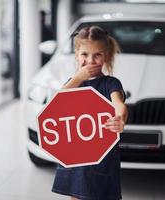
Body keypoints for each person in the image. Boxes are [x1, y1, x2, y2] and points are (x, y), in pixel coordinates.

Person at [52, 26, 128, 200]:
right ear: (77, 54)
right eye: (85, 54)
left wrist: (120, 118)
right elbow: (56, 104)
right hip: (76, 157)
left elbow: (119, 104)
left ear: (106, 56)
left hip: (102, 159)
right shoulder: (72, 83)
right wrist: (77, 79)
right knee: (76, 196)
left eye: (97, 55)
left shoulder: (111, 83)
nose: (91, 61)